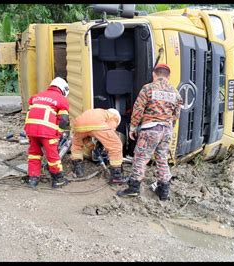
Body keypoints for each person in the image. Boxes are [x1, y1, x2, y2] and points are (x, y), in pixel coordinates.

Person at [117, 63, 183, 200]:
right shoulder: (175, 92)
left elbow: (138, 109)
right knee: (162, 158)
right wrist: (169, 126)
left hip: (151, 129)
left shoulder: (148, 89)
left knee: (140, 158)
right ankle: (164, 191)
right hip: (166, 130)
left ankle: (134, 188)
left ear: (154, 74)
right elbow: (176, 115)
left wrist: (134, 127)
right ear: (168, 77)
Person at [24, 77, 70, 188]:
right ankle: (58, 180)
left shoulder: (36, 96)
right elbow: (63, 120)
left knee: (34, 154)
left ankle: (33, 179)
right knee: (52, 156)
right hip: (47, 131)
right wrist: (58, 134)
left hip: (31, 130)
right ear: (63, 89)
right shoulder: (62, 100)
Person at [70, 108, 127, 184]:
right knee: (116, 145)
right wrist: (105, 145)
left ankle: (78, 171)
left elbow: (87, 136)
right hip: (95, 124)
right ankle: (116, 177)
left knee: (77, 145)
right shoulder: (114, 116)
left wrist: (93, 147)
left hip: (78, 125)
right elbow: (110, 131)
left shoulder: (98, 112)